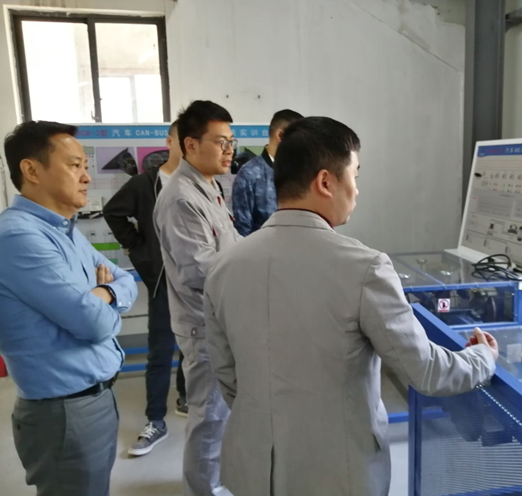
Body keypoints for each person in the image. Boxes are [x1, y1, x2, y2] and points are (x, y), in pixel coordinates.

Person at [204, 117, 499, 496]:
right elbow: (425, 370)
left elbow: (228, 378)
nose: (357, 190)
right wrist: (482, 358)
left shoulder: (224, 266)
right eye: (355, 176)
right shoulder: (364, 268)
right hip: (337, 473)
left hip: (254, 470)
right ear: (325, 182)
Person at [0, 121, 138, 496]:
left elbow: (126, 282)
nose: (87, 177)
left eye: (85, 166)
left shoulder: (65, 231)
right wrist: (102, 298)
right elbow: (91, 323)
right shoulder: (19, 237)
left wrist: (101, 292)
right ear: (31, 170)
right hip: (63, 412)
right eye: (75, 165)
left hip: (93, 400)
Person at [154, 101, 240, 496]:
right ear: (190, 144)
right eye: (220, 142)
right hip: (203, 325)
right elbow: (201, 271)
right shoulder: (181, 199)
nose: (229, 150)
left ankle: (215, 481)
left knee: (222, 414)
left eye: (231, 141)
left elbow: (231, 246)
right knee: (210, 416)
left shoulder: (209, 186)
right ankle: (203, 490)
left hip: (222, 319)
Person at [103, 121, 188, 457]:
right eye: (184, 139)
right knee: (160, 352)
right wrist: (138, 249)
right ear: (171, 141)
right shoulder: (145, 184)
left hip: (195, 281)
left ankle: (185, 397)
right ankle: (155, 420)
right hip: (163, 281)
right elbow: (113, 213)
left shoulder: (200, 182)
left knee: (193, 346)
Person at [232, 109, 303, 236]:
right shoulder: (249, 173)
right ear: (280, 136)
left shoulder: (300, 172)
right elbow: (242, 229)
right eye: (298, 139)